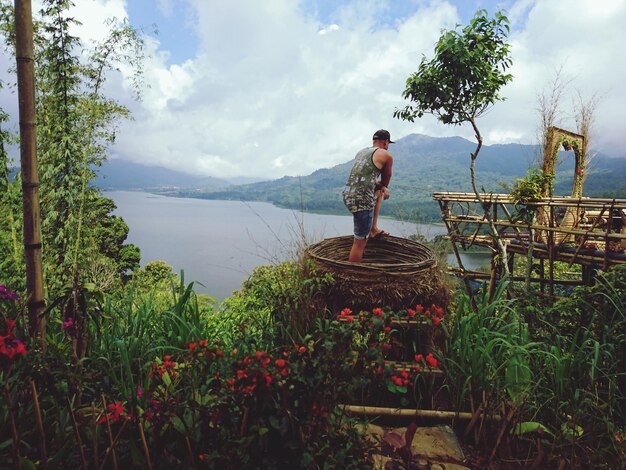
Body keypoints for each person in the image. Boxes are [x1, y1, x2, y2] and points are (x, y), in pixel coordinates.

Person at [342, 129, 394, 262]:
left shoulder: (362, 152)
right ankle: (352, 274)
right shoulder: (386, 155)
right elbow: (386, 180)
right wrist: (384, 187)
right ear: (385, 141)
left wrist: (380, 187)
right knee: (359, 243)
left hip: (348, 195)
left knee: (378, 193)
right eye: (388, 142)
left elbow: (363, 177)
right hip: (361, 200)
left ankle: (373, 228)